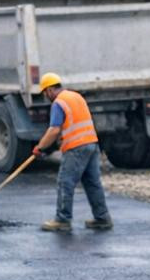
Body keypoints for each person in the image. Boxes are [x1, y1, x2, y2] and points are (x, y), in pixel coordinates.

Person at [32, 73, 112, 233]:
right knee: (92, 182)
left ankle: (62, 220)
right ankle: (102, 218)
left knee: (65, 181)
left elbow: (54, 130)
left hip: (77, 147)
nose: (45, 96)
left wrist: (39, 148)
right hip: (91, 143)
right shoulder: (76, 96)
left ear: (49, 90)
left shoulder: (59, 103)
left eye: (44, 93)